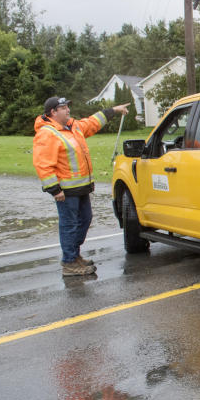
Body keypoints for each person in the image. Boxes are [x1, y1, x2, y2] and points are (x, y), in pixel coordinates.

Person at [33, 97, 129, 276]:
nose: (68, 110)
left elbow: (92, 122)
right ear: (53, 112)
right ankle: (69, 263)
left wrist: (114, 110)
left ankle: (74, 255)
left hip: (81, 188)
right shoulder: (47, 133)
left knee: (84, 219)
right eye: (63, 108)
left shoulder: (72, 127)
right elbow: (43, 164)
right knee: (69, 225)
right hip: (66, 191)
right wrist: (55, 190)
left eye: (68, 106)